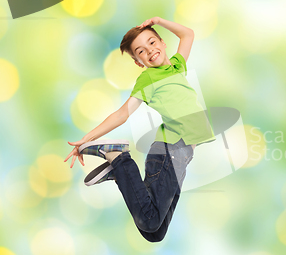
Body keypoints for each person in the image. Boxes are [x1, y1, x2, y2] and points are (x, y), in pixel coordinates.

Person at [64, 17, 216, 242]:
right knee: (149, 221)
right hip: (168, 151)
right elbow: (122, 114)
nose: (150, 51)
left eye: (152, 42)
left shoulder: (176, 66)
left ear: (163, 42)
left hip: (183, 157)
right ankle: (119, 159)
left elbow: (188, 35)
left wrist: (159, 20)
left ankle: (120, 172)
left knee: (155, 233)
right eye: (141, 51)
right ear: (139, 62)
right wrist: (87, 138)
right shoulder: (148, 79)